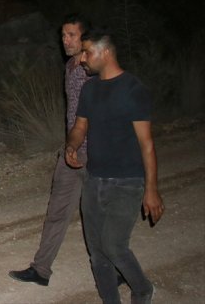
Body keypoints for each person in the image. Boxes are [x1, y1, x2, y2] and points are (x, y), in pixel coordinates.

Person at [65, 29, 163, 304]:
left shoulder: (133, 90)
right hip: (94, 180)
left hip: (128, 182)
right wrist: (71, 146)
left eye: (87, 52)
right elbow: (79, 127)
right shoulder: (90, 88)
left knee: (114, 246)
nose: (82, 58)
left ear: (105, 53)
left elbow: (147, 144)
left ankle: (142, 289)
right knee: (97, 253)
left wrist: (151, 190)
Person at [9, 14, 94, 286]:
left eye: (72, 35)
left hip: (95, 155)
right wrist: (70, 146)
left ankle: (115, 271)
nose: (66, 40)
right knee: (57, 210)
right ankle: (41, 269)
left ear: (85, 39)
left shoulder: (94, 70)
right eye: (63, 35)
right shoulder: (71, 65)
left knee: (97, 218)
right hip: (71, 151)